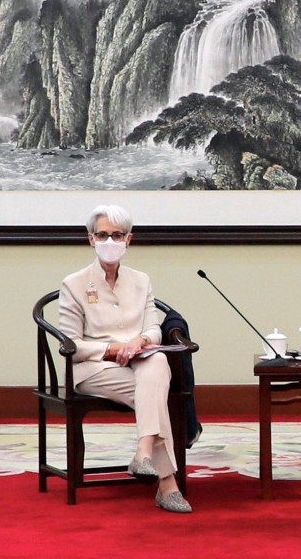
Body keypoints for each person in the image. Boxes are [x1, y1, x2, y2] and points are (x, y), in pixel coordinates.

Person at [58, 204, 192, 513]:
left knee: (157, 362)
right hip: (93, 368)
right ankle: (167, 485)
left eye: (117, 235)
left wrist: (142, 340)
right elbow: (71, 345)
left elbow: (154, 327)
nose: (110, 241)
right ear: (90, 239)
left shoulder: (141, 280)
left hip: (141, 362)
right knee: (154, 395)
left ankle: (144, 453)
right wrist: (112, 349)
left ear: (129, 240)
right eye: (102, 235)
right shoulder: (74, 284)